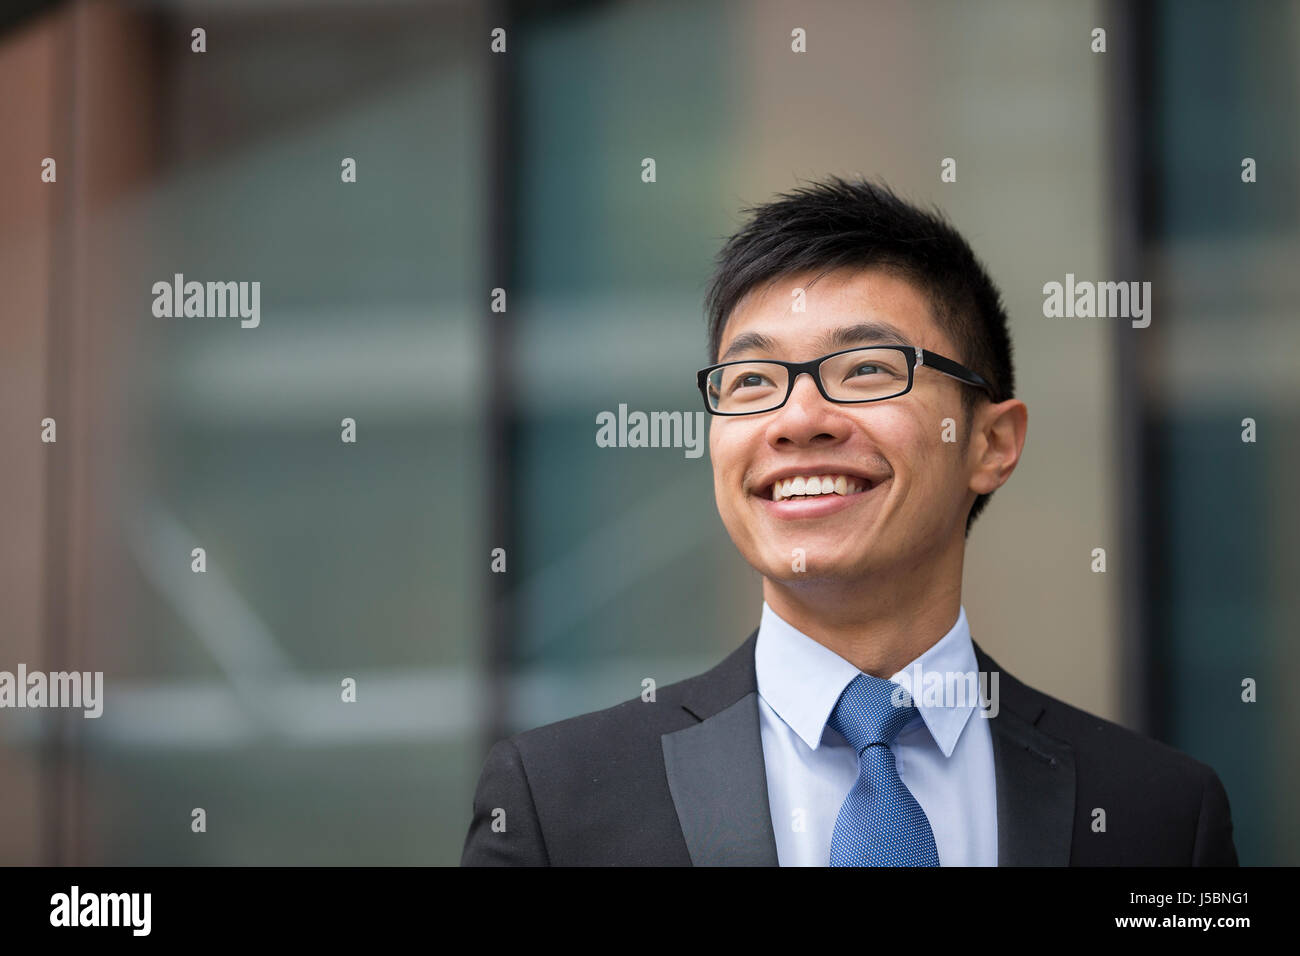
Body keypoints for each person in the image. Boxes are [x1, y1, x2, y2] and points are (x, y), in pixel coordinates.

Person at [459, 175, 1238, 866]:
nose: (799, 420)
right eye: (753, 379)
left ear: (991, 443)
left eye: (865, 368)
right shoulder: (556, 806)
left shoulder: (1159, 815)